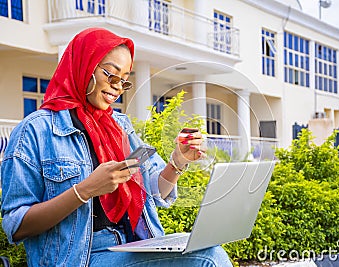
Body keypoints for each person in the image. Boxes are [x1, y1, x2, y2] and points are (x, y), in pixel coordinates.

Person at [1, 28, 233, 267]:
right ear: (83, 65)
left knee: (208, 248)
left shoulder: (119, 126)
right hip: (77, 258)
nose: (117, 87)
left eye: (124, 81)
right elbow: (16, 226)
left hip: (131, 244)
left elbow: (155, 191)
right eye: (111, 75)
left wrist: (177, 162)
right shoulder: (34, 131)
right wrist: (84, 191)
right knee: (209, 259)